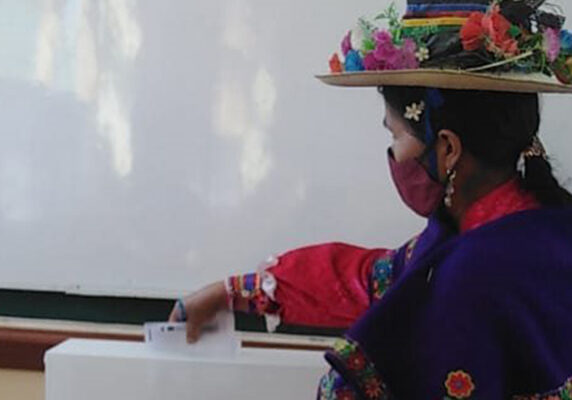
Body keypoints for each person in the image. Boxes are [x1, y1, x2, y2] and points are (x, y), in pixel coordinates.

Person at [169, 0, 572, 398]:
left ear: (447, 149)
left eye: (395, 136)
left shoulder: (469, 274)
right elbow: (372, 279)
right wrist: (234, 291)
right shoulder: (535, 225)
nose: (394, 155)